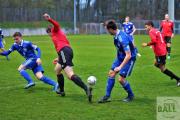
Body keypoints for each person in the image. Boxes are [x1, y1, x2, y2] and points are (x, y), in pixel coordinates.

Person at [43, 13, 92, 102]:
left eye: (48, 34)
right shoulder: (56, 36)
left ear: (50, 31)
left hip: (64, 52)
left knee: (70, 75)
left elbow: (57, 25)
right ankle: (61, 91)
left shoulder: (55, 30)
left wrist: (49, 19)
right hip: (66, 52)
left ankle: (86, 88)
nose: (49, 36)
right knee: (57, 70)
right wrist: (59, 58)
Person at [98, 20, 136, 103]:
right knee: (111, 73)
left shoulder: (122, 38)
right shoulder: (116, 35)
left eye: (107, 30)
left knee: (121, 79)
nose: (107, 32)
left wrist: (120, 67)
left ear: (111, 29)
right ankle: (107, 96)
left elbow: (128, 55)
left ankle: (131, 95)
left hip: (129, 58)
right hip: (120, 57)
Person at [142, 21, 180, 86]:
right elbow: (161, 39)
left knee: (162, 69)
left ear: (150, 26)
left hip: (160, 52)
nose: (145, 29)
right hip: (162, 50)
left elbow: (154, 41)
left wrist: (147, 44)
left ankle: (177, 78)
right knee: (155, 64)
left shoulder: (151, 31)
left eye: (146, 27)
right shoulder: (156, 30)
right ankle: (170, 74)